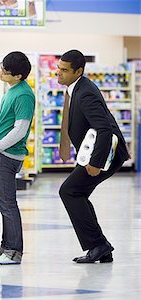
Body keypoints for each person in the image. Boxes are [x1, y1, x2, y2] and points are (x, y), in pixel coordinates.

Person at [56, 50, 130, 263]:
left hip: (104, 155)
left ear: (78, 71)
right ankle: (100, 248)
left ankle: (98, 245)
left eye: (64, 70)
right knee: (76, 193)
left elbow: (104, 128)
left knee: (69, 191)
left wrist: (96, 163)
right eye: (58, 68)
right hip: (97, 153)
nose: (58, 73)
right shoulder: (77, 89)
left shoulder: (85, 92)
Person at [0, 51, 35, 265]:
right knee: (4, 204)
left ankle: (14, 252)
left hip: (7, 155)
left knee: (8, 204)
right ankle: (5, 248)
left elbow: (20, 129)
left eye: (5, 69)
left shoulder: (23, 95)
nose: (1, 71)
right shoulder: (11, 91)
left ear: (18, 75)